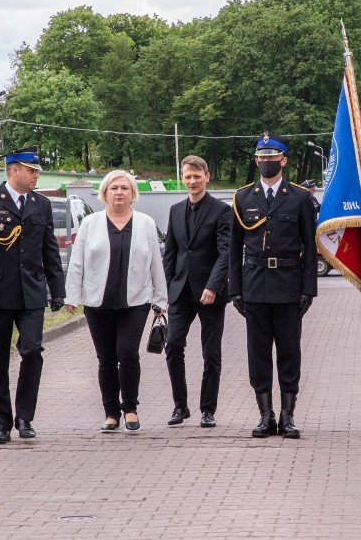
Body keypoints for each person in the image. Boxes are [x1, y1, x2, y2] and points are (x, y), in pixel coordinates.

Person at [0, 146, 66, 445]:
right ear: (14, 170)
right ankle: (1, 424)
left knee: (32, 350)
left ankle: (25, 417)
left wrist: (57, 290)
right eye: (31, 171)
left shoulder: (41, 204)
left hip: (31, 292)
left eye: (37, 171)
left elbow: (49, 250)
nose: (36, 176)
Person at [229, 131, 317, 439]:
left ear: (284, 160)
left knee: (290, 352)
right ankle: (265, 416)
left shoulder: (300, 197)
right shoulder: (242, 198)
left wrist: (309, 290)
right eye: (261, 158)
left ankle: (287, 415)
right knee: (259, 353)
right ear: (256, 161)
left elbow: (310, 245)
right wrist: (235, 289)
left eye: (272, 158)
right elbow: (234, 248)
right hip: (254, 286)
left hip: (289, 286)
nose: (267, 163)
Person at [65, 170, 167, 434]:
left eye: (124, 188)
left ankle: (130, 408)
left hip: (135, 301)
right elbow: (77, 262)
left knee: (128, 353)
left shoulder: (145, 223)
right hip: (98, 302)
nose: (119, 192)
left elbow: (156, 262)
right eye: (114, 188)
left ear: (133, 194)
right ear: (105, 193)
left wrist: (160, 299)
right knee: (106, 359)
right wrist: (72, 296)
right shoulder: (90, 223)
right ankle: (111, 413)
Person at [162, 155, 232, 428]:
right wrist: (168, 288)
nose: (192, 181)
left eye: (197, 176)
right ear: (182, 178)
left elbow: (225, 253)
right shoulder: (175, 210)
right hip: (180, 292)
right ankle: (180, 406)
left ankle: (208, 410)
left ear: (207, 177)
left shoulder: (221, 211)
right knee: (172, 346)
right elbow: (171, 253)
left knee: (211, 353)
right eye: (188, 176)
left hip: (210, 293)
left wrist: (213, 286)